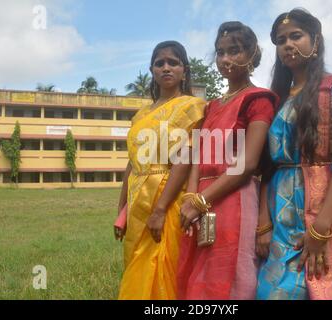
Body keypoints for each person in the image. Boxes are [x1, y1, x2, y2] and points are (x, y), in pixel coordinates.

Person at [256, 8, 332, 300]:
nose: (287, 44)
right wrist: (263, 223)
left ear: (316, 40)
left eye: (296, 35)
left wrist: (321, 228)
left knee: (323, 288)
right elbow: (268, 167)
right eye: (281, 40)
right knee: (269, 293)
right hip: (280, 209)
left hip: (326, 207)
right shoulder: (279, 98)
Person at [177, 21, 279, 300]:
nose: (225, 59)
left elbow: (246, 165)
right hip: (203, 199)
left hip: (235, 197)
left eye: (234, 51)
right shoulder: (212, 106)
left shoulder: (259, 99)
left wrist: (200, 201)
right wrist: (190, 195)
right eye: (220, 53)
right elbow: (198, 154)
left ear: (252, 55)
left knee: (233, 276)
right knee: (201, 274)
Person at [115, 41, 206, 300]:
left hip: (168, 197)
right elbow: (132, 163)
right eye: (160, 63)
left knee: (163, 265)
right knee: (136, 263)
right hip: (136, 198)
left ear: (184, 70)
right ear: (152, 70)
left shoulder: (192, 106)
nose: (166, 68)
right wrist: (122, 209)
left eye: (173, 62)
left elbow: (185, 158)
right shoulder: (141, 114)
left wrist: (159, 210)